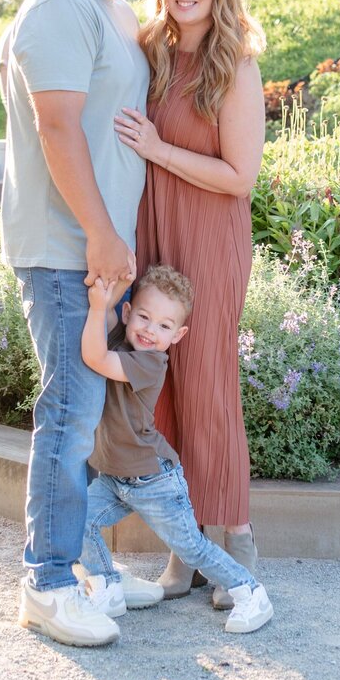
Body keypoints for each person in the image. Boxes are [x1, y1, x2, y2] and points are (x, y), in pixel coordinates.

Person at [1, 0, 157, 648]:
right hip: (69, 253)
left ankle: (87, 563)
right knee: (67, 419)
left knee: (89, 418)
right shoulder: (62, 7)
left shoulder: (102, 8)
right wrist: (101, 234)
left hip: (98, 251)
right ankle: (48, 581)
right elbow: (56, 129)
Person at [114, 0, 267, 604]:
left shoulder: (236, 62)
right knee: (163, 391)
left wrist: (156, 148)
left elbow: (240, 177)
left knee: (207, 386)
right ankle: (185, 550)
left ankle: (237, 543)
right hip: (155, 232)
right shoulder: (149, 51)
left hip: (210, 237)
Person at [77, 266, 273, 636]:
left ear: (178, 335)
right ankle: (106, 588)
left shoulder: (151, 362)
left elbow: (96, 359)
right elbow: (107, 337)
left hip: (154, 480)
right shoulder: (124, 337)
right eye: (145, 317)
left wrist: (96, 306)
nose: (151, 331)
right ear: (128, 312)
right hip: (116, 476)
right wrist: (108, 293)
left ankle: (250, 592)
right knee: (79, 519)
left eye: (164, 326)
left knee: (193, 549)